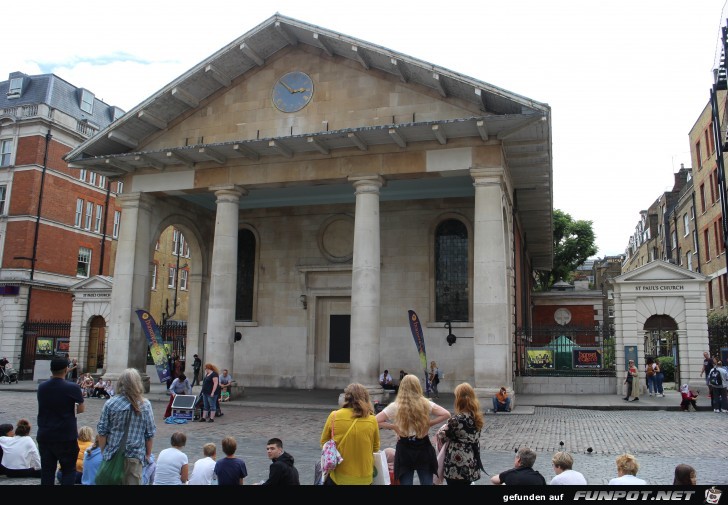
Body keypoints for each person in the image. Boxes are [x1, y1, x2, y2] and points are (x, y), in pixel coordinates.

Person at [376, 374, 450, 485]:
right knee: (427, 483)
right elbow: (446, 414)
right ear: (417, 387)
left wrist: (394, 427)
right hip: (423, 445)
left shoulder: (396, 406)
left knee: (406, 483)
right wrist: (429, 424)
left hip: (404, 446)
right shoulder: (425, 403)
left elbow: (376, 420)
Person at [96, 368, 157, 485]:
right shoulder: (145, 405)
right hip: (135, 456)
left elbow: (102, 432)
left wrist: (104, 452)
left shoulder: (110, 403)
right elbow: (149, 434)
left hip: (112, 454)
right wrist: (148, 454)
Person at [36, 357, 85, 485]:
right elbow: (81, 409)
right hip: (66, 436)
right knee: (68, 471)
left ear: (51, 369)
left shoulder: (42, 387)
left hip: (45, 434)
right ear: (66, 369)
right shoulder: (73, 387)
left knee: (47, 471)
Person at [320, 382, 380, 485]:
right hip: (364, 477)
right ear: (365, 398)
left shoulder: (334, 416)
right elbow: (375, 448)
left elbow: (324, 442)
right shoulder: (372, 420)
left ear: (346, 397)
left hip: (340, 476)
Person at [440, 382, 484, 486]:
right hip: (471, 459)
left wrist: (442, 431)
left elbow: (443, 438)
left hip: (455, 462)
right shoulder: (477, 418)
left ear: (459, 399)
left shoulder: (456, 420)